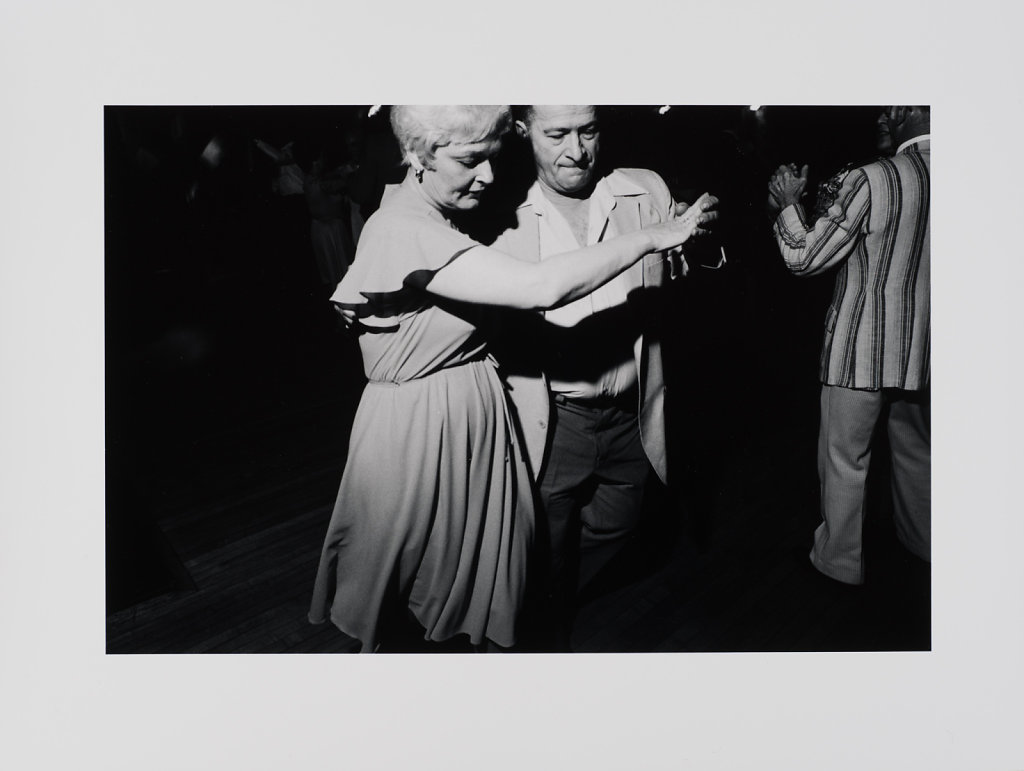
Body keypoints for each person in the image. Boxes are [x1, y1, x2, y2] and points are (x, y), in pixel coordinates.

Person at [308, 105, 717, 652]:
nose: (489, 176)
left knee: (461, 585)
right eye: (471, 160)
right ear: (415, 154)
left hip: (468, 415)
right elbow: (539, 288)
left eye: (491, 158)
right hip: (426, 429)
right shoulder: (409, 224)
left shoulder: (438, 213)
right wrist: (654, 236)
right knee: (416, 583)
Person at [481, 105, 715, 648]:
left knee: (622, 523)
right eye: (556, 134)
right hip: (555, 421)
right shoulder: (501, 214)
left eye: (587, 131)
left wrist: (704, 245)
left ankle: (544, 595)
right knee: (547, 547)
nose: (576, 151)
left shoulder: (643, 191)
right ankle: (541, 632)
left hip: (632, 414)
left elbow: (687, 266)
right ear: (522, 131)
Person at [767, 106, 930, 586]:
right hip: (925, 350)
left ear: (911, 109)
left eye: (890, 108)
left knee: (845, 459)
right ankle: (924, 547)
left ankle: (838, 564)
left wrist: (787, 205)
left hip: (860, 347)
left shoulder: (875, 177)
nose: (882, 116)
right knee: (918, 453)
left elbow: (804, 257)